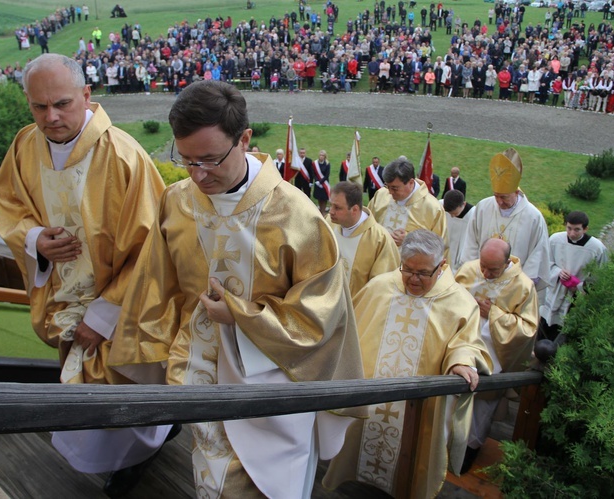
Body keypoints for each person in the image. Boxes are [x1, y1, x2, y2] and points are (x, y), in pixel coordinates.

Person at [109, 80, 365, 497]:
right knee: (211, 481)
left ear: (244, 139)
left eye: (209, 159)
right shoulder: (177, 201)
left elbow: (320, 315)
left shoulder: (295, 214)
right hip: (198, 375)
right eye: (187, 160)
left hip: (272, 383)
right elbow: (156, 285)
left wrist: (242, 315)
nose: (198, 174)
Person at [0, 54, 171, 496]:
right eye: (38, 107)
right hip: (62, 295)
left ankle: (143, 453)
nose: (50, 117)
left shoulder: (124, 156)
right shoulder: (23, 145)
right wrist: (35, 240)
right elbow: (9, 205)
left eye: (62, 103)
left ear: (87, 95)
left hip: (119, 308)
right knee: (82, 390)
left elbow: (155, 246)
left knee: (125, 393)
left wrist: (104, 314)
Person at [323, 229, 492, 497]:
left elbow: (466, 342)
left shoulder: (459, 303)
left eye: (423, 273)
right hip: (372, 395)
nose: (413, 278)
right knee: (356, 450)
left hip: (416, 407)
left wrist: (459, 362)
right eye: (408, 269)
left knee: (410, 458)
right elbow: (351, 328)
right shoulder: (380, 286)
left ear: (442, 266)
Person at [454, 238, 538, 473]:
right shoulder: (469, 269)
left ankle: (470, 448)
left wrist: (495, 314)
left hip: (493, 358)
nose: (485, 273)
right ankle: (447, 442)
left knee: (481, 409)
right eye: (483, 266)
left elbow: (528, 328)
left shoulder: (523, 286)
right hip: (459, 348)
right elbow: (449, 299)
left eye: (493, 269)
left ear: (507, 262)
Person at [459, 148, 551, 291]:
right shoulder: (483, 207)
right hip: (479, 282)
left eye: (504, 197)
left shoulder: (533, 217)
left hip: (512, 289)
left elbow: (537, 256)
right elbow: (471, 242)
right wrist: (474, 275)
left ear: (516, 191)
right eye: (496, 196)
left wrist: (520, 287)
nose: (499, 202)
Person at [539, 211, 608, 342]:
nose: (571, 233)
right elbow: (545, 262)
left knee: (568, 328)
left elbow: (601, 274)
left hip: (578, 296)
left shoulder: (597, 248)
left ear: (586, 229)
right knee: (547, 324)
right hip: (556, 290)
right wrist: (558, 272)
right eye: (569, 228)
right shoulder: (555, 240)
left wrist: (580, 286)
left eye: (577, 230)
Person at [327, 181, 399, 296]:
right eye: (330, 205)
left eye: (337, 207)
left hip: (357, 308)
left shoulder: (379, 240)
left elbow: (381, 287)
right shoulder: (329, 224)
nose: (331, 211)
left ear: (354, 210)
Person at [368, 157, 448, 250]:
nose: (389, 192)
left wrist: (410, 239)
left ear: (410, 182)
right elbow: (368, 225)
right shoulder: (381, 194)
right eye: (387, 186)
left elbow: (440, 246)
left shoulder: (432, 208)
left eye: (394, 188)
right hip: (379, 260)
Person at [443, 189, 474, 271]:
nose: (452, 216)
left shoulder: (473, 215)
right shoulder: (441, 206)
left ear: (463, 204)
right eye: (450, 214)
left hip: (462, 259)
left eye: (455, 213)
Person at [312, 149, 331, 215]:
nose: (321, 156)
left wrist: (320, 182)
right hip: (317, 183)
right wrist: (317, 180)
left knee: (324, 198)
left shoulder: (327, 164)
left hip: (324, 183)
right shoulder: (315, 163)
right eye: (320, 155)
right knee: (319, 198)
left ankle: (323, 211)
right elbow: (313, 173)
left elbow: (327, 175)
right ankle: (320, 210)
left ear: (325, 156)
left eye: (322, 155)